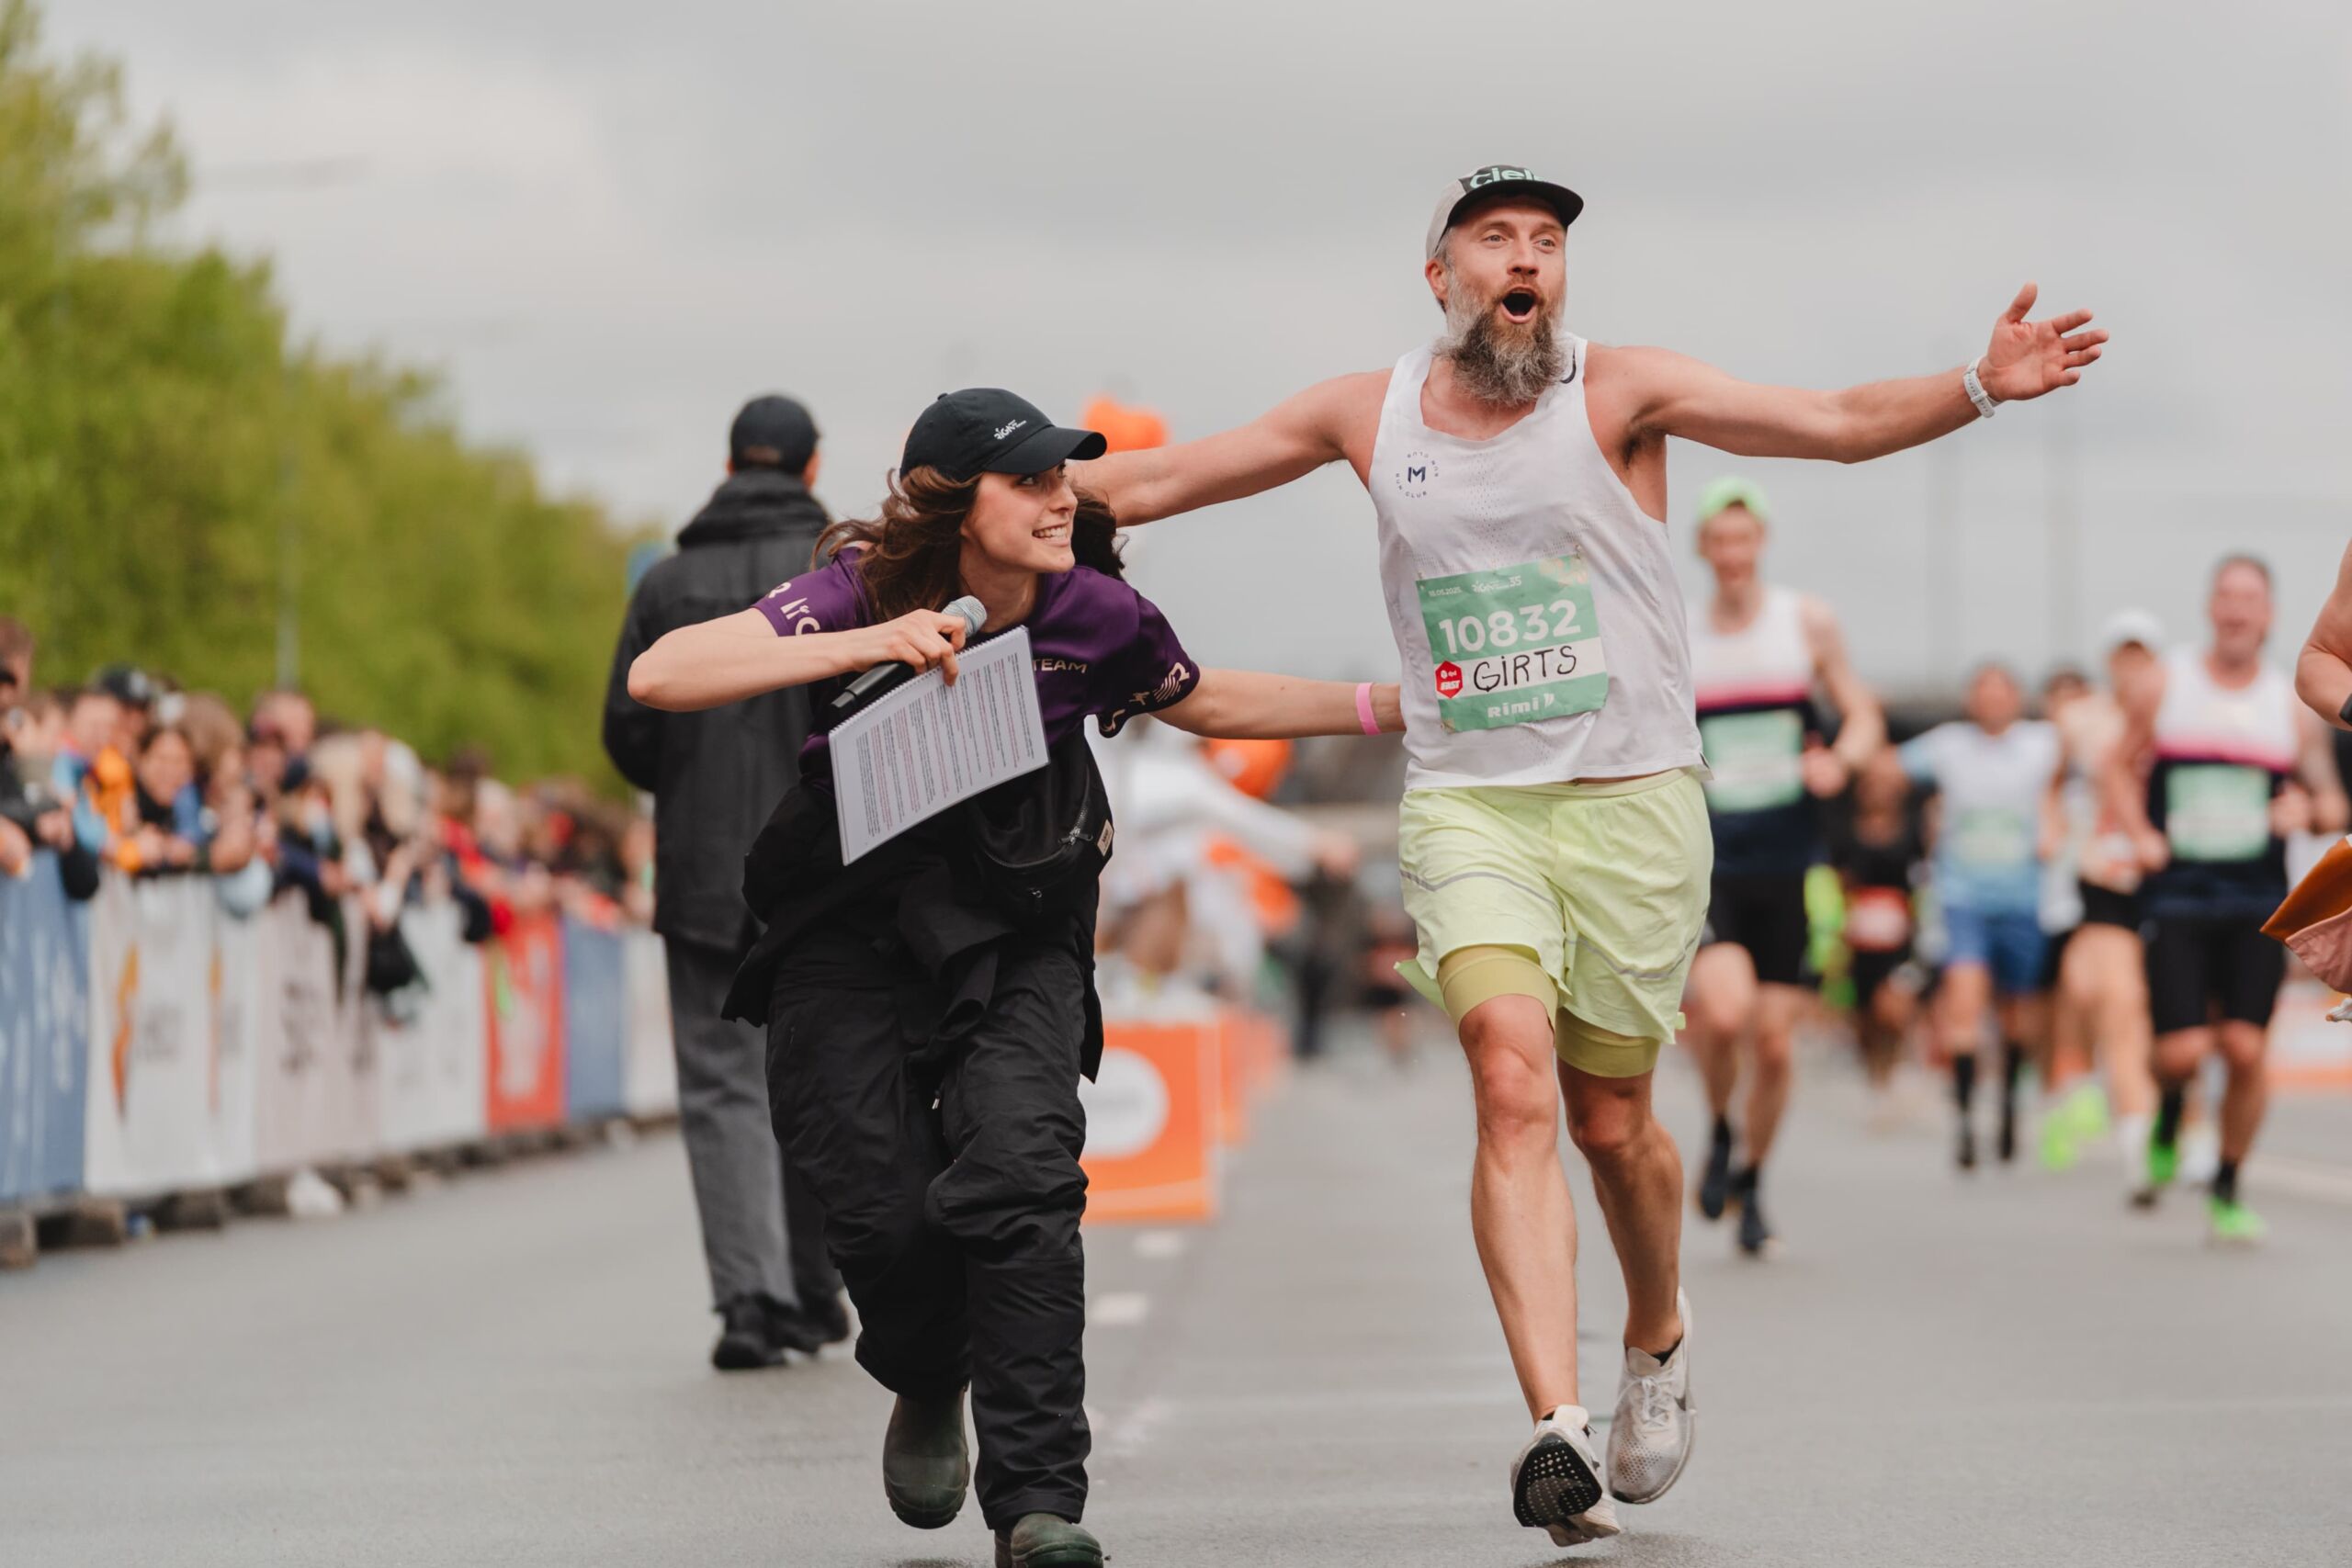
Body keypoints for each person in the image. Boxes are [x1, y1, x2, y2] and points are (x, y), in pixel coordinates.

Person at [1071, 163, 2105, 1543]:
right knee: (1510, 1082)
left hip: (1631, 808)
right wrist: (970, 496)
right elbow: (1160, 477)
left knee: (1614, 1126)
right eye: (1496, 238)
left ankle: (1656, 1334)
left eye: (1547, 241)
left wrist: (1977, 385)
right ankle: (1555, 1423)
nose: (1526, 259)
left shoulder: (1620, 392)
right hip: (1471, 804)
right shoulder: (1364, 411)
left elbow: (1832, 423)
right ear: (1440, 276)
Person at [628, 388, 1405, 1568]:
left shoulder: (1094, 610)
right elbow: (664, 673)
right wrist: (869, 643)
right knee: (879, 1214)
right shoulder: (859, 587)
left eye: (1062, 481)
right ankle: (927, 1370)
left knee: (1022, 1182)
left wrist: (1386, 706)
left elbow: (1204, 698)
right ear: (953, 502)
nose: (1058, 501)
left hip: (1018, 920)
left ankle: (1039, 1501)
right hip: (847, 925)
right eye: (1030, 481)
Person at [602, 392, 847, 1369]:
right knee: (823, 1074)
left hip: (703, 870)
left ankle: (749, 1301)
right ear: (812, 467)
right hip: (821, 866)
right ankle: (817, 1287)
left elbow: (628, 732)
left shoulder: (668, 583)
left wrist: (690, 782)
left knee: (718, 1085)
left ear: (729, 462)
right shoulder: (841, 572)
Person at [2106, 557, 2346, 1240]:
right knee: (2182, 1053)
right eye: (2227, 597)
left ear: (2269, 614)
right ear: (2210, 607)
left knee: (2244, 1048)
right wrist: (2140, 832)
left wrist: (2307, 810)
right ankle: (2168, 1114)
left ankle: (2228, 1185)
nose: (2237, 610)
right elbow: (2116, 766)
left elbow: (2331, 800)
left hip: (2256, 899)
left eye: (2250, 599)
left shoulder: (2287, 705)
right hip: (2177, 894)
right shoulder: (2167, 682)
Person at [1681, 477, 1883, 1257]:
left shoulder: (1805, 620)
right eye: (1719, 541)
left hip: (1791, 860)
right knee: (1723, 1014)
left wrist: (1843, 759)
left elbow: (1861, 712)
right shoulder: (1679, 628)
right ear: (1704, 549)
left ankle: (1754, 1180)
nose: (1732, 553)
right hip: (1713, 858)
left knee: (1773, 1043)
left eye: (1744, 538)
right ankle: (1720, 1127)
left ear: (1760, 543)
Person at [1901, 663, 2062, 1170]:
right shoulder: (1947, 745)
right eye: (1982, 692)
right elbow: (1887, 766)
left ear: (2017, 698)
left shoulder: (2043, 743)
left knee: (2017, 1017)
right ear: (1970, 700)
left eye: (2000, 692)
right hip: (1962, 898)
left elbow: (2092, 739)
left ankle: (2010, 1102)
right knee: (1964, 1003)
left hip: (2022, 901)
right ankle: (1967, 1120)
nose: (1991, 701)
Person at [2039, 615, 2163, 1179]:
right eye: (2122, 656)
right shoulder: (2080, 719)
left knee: (2153, 1010)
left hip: (2161, 874)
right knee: (2112, 997)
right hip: (2100, 871)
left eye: (2142, 656)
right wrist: (2051, 827)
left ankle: (2175, 1122)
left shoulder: (2174, 714)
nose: (2131, 668)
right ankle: (2130, 1127)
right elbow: (2051, 782)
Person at [1830, 748, 1928, 1122]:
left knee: (1894, 1008)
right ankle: (1875, 1077)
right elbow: (1838, 881)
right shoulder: (1846, 831)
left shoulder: (1914, 831)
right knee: (1865, 1015)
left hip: (1900, 935)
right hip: (1858, 936)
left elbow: (1922, 882)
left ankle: (1899, 1067)